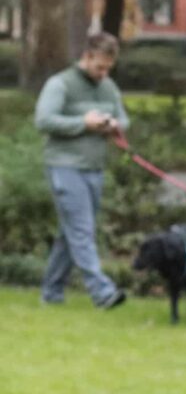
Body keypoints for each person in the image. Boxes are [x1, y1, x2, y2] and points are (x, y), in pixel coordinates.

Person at [35, 31, 129, 309]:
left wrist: (114, 125)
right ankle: (102, 292)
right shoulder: (60, 84)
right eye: (99, 67)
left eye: (108, 69)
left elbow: (123, 117)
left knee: (71, 234)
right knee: (82, 230)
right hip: (65, 166)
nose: (103, 73)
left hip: (94, 169)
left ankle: (51, 293)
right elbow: (44, 120)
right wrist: (83, 122)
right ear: (86, 57)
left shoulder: (108, 86)